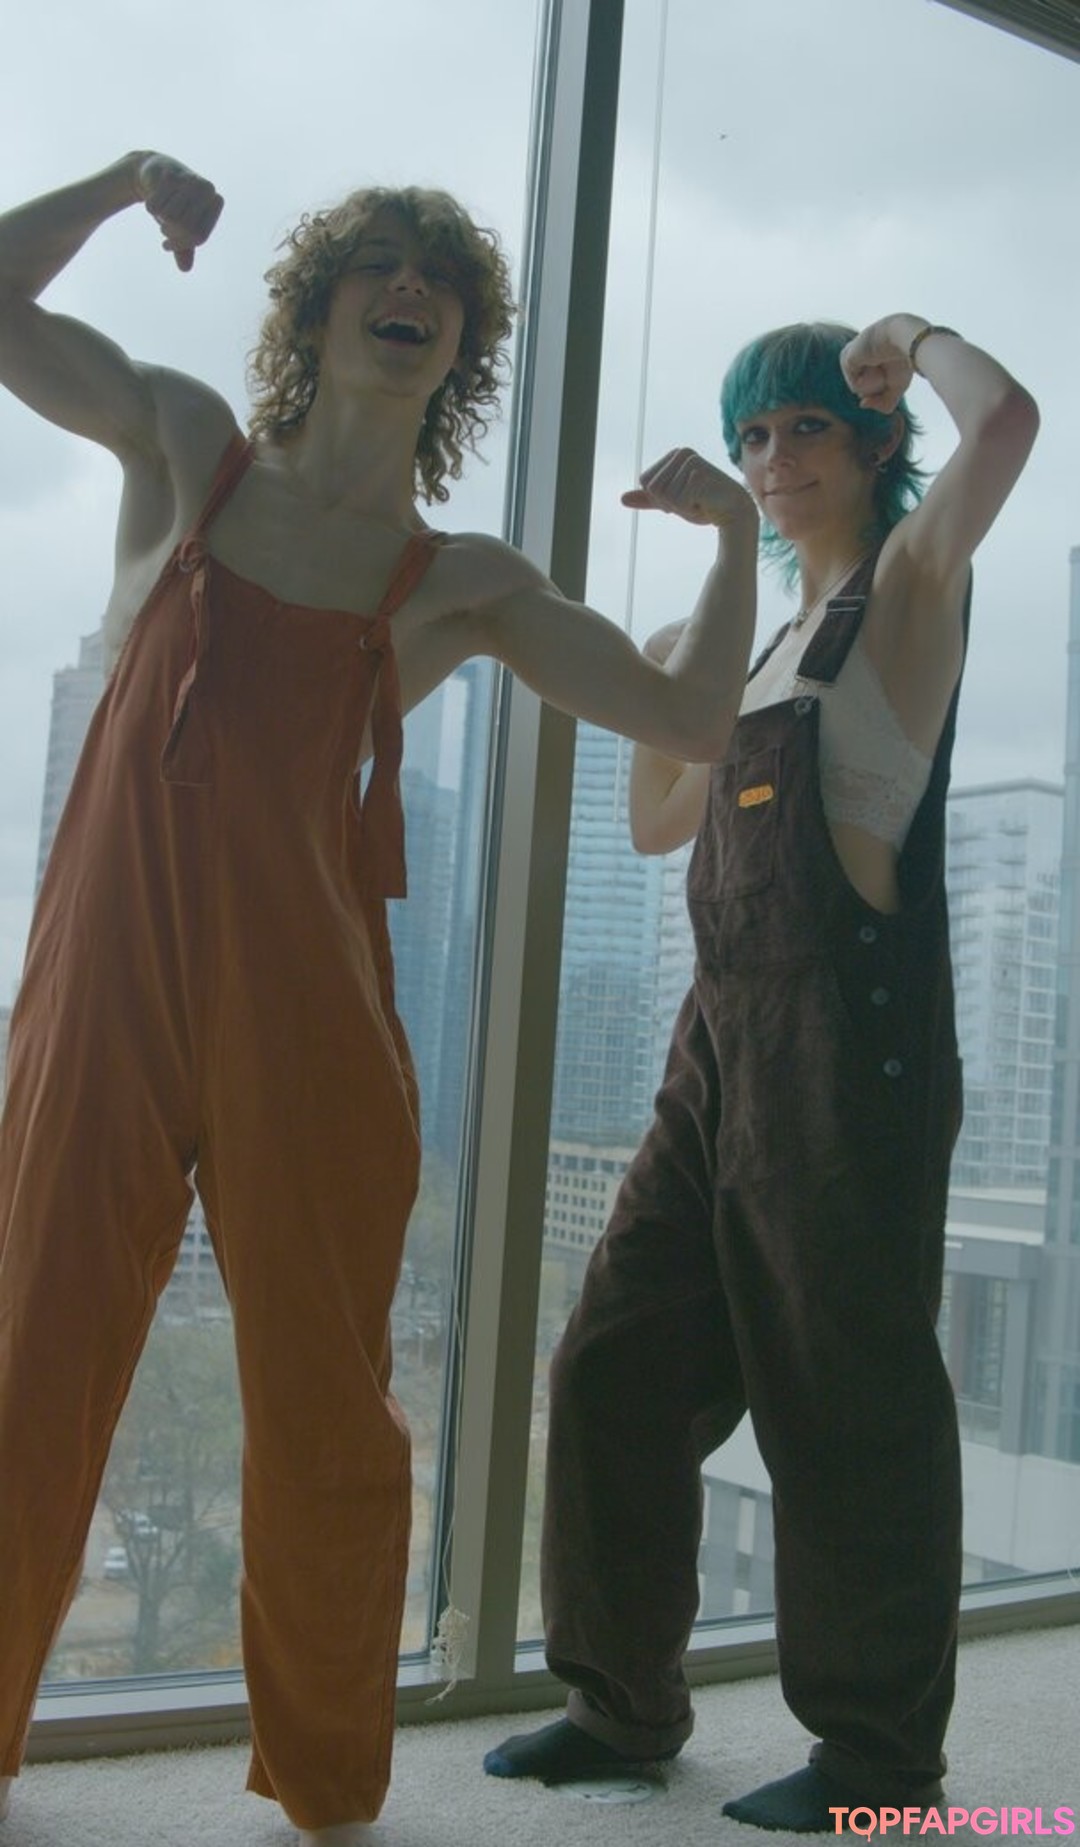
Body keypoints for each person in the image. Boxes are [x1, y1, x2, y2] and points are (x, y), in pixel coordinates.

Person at [0, 153, 760, 1846]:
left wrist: (732, 542)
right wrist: (122, 185)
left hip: (314, 1028)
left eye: (443, 280)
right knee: (26, 1362)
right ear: (322, 305)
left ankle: (332, 1786)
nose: (413, 288)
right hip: (107, 996)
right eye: (382, 265)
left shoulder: (460, 581)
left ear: (459, 342)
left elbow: (693, 723)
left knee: (329, 1410)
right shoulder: (186, 448)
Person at [484, 316, 1038, 1828]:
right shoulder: (762, 645)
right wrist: (692, 640)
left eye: (802, 428)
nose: (772, 459)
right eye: (752, 436)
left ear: (873, 443)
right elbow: (658, 819)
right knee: (614, 1362)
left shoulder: (906, 587)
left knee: (842, 1397)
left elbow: (1005, 426)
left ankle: (878, 1762)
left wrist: (908, 339)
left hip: (848, 1043)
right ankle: (619, 1704)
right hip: (721, 1039)